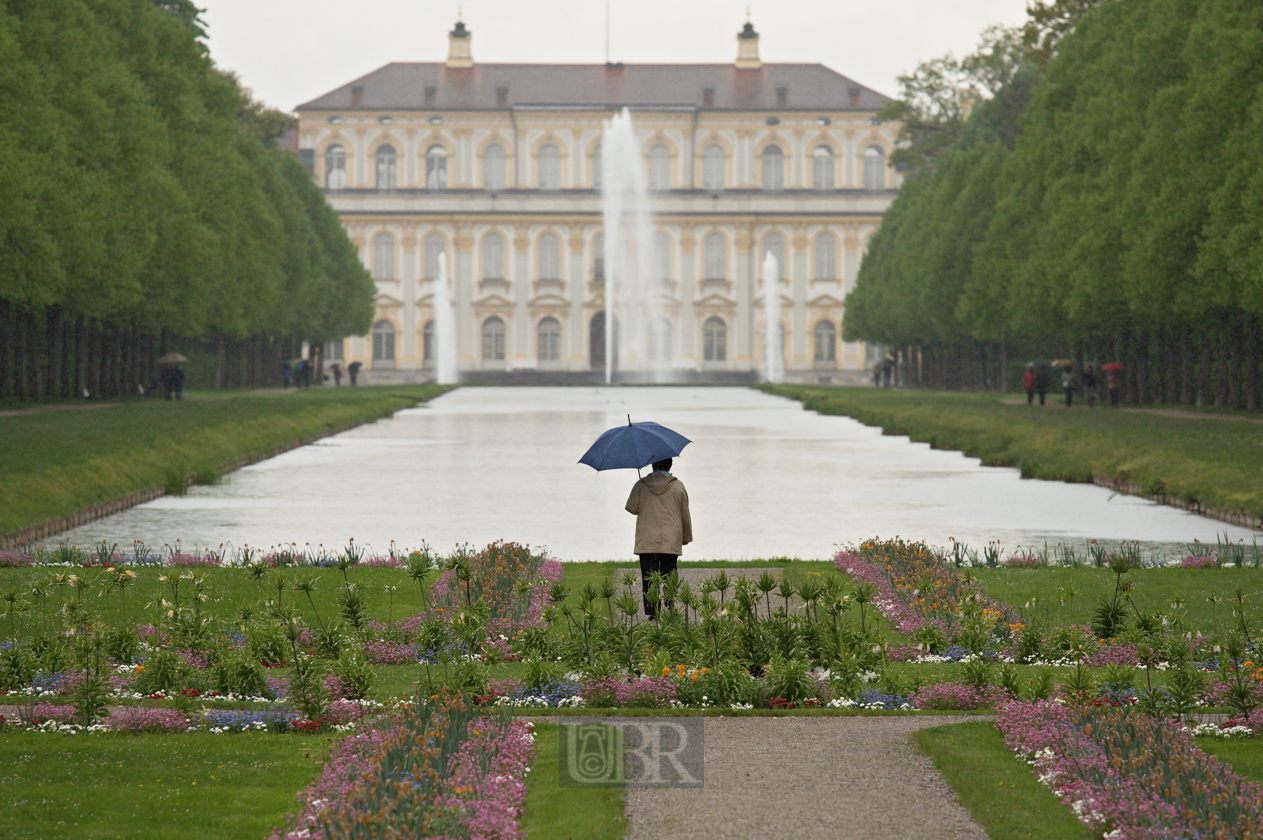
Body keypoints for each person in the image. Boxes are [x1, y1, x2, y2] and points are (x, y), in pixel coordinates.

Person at [625, 458, 692, 619]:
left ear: (652, 465)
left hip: (648, 540)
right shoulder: (678, 486)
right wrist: (686, 536)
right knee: (669, 575)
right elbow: (685, 514)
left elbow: (631, 508)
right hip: (670, 539)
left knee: (649, 576)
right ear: (670, 465)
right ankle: (670, 606)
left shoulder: (641, 485)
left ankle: (652, 612)